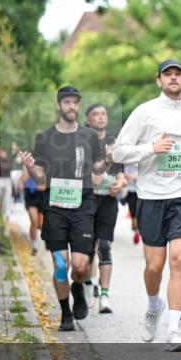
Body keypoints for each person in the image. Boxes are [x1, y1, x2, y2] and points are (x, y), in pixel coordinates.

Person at [108, 60, 181, 351]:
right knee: (154, 266)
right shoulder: (145, 112)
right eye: (168, 74)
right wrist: (150, 149)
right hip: (152, 195)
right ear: (159, 81)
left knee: (180, 260)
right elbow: (119, 151)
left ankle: (175, 331)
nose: (174, 78)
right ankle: (154, 305)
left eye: (178, 74)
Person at [19, 86, 110, 332]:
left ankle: (78, 288)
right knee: (61, 265)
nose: (72, 107)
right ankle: (65, 313)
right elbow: (40, 177)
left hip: (83, 204)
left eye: (75, 102)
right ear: (59, 105)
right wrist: (29, 166)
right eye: (67, 102)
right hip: (55, 207)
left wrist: (109, 159)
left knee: (80, 267)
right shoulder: (45, 138)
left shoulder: (89, 136)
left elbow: (98, 169)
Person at [84, 103, 127, 313]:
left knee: (104, 246)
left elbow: (121, 174)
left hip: (108, 203)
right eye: (95, 114)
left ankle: (104, 296)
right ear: (87, 119)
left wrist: (119, 184)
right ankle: (88, 284)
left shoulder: (114, 142)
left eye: (103, 114)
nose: (100, 118)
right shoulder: (81, 141)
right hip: (86, 201)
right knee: (85, 250)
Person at [22, 170, 48, 254]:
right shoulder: (28, 166)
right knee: (34, 221)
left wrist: (40, 187)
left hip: (41, 198)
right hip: (31, 198)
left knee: (40, 225)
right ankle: (34, 246)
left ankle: (47, 241)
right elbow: (24, 181)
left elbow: (48, 185)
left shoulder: (46, 167)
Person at [122, 163, 140, 243]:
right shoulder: (127, 159)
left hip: (142, 192)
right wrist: (133, 177)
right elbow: (122, 172)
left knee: (140, 214)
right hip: (130, 191)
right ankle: (136, 231)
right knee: (133, 215)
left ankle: (140, 232)